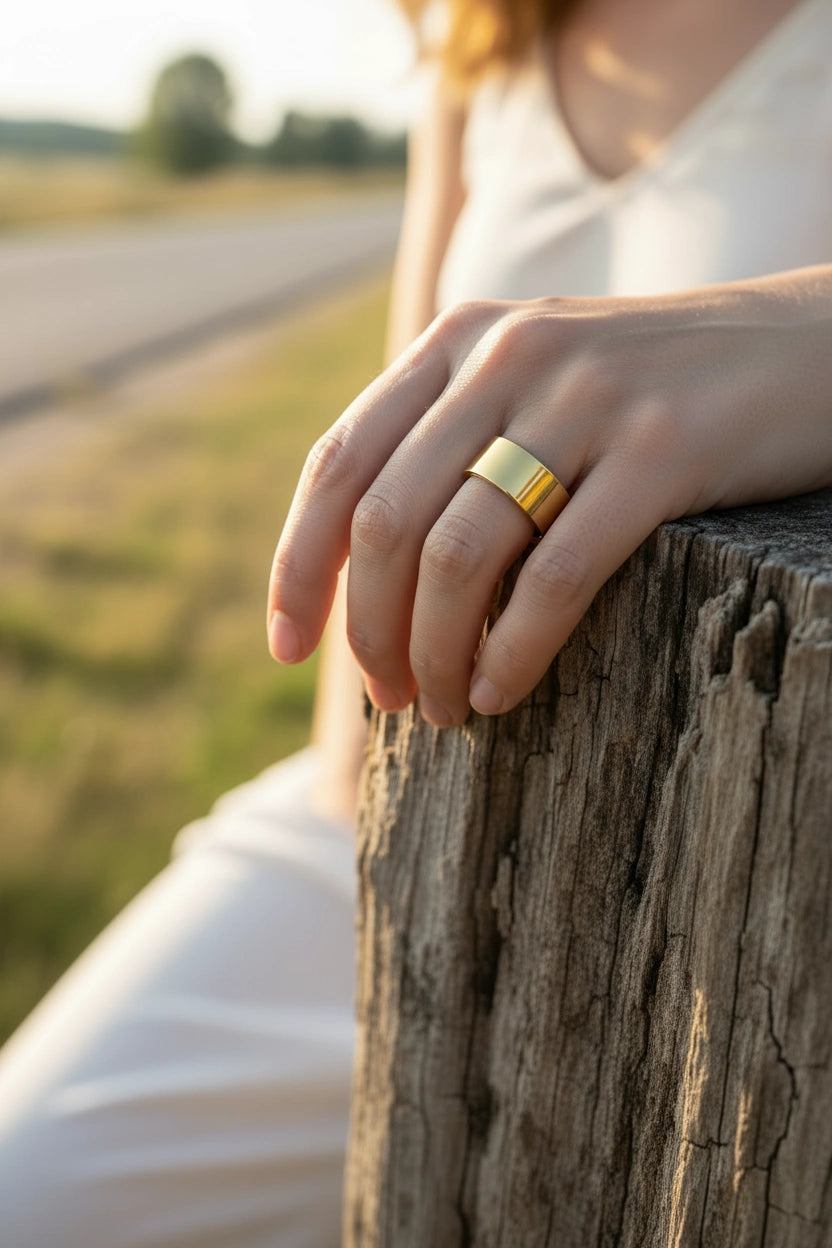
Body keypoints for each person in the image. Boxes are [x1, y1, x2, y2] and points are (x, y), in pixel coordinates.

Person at [2, 0, 831, 1244]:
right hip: (397, 821)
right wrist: (371, 821)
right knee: (36, 1188)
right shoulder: (481, 39)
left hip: (757, 892)